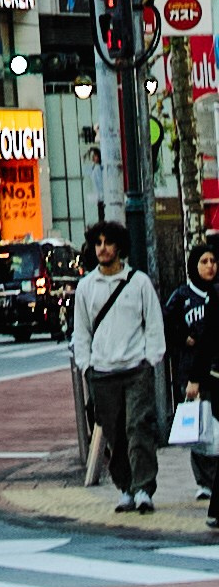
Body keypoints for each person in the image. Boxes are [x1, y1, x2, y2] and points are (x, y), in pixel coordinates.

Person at [73, 218, 167, 511]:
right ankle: (125, 487)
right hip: (102, 372)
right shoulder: (86, 286)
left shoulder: (138, 282)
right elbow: (81, 330)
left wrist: (152, 358)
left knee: (138, 427)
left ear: (119, 247)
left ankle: (144, 489)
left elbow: (153, 323)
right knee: (113, 433)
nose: (102, 249)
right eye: (98, 243)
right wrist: (86, 365)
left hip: (136, 368)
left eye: (108, 243)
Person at [169, 234, 219, 530]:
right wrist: (182, 338)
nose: (210, 266)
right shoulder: (183, 296)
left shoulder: (215, 294)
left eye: (214, 261)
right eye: (204, 261)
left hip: (206, 371)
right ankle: (205, 483)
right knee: (202, 429)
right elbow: (168, 323)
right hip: (199, 372)